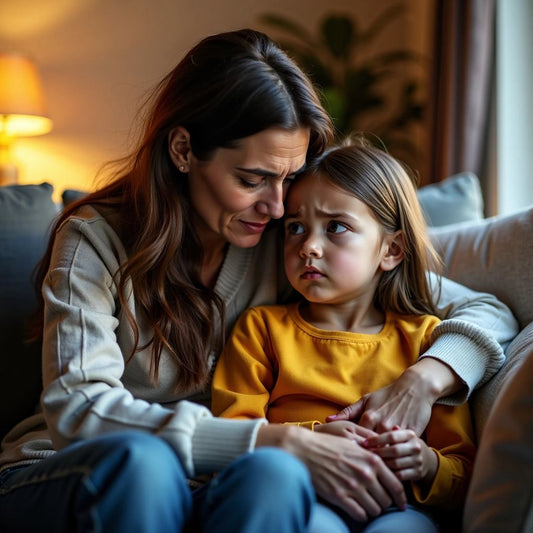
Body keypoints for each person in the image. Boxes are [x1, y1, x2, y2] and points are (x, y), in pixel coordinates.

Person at [0, 29, 515, 532]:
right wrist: (275, 441)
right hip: (72, 470)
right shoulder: (95, 240)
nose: (275, 206)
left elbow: (488, 310)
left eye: (288, 179)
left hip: (214, 483)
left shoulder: (287, 241)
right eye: (252, 179)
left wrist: (423, 380)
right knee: (148, 466)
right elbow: (78, 411)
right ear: (183, 150)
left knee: (274, 479)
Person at [212, 140, 477, 532]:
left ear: (392, 249)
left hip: (399, 508)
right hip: (303, 496)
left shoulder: (426, 342)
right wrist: (315, 439)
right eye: (296, 228)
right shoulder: (262, 329)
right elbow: (234, 436)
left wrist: (425, 462)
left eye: (336, 227)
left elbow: (464, 473)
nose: (309, 247)